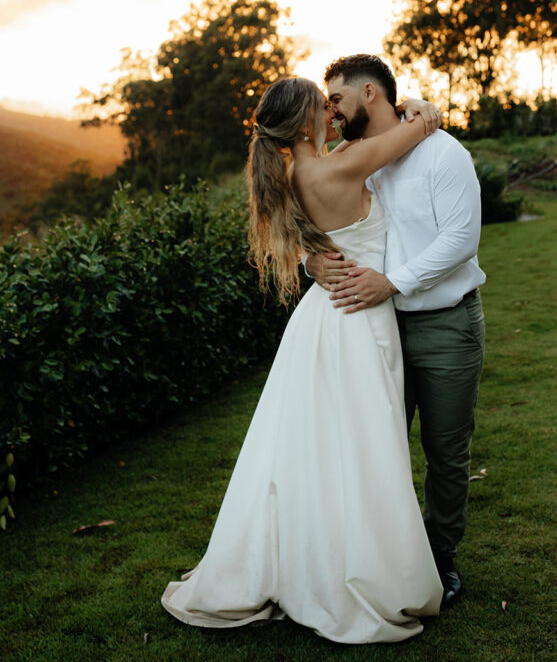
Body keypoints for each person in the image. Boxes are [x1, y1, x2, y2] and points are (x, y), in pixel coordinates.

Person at [161, 76, 444, 644]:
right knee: (364, 445)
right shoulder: (339, 165)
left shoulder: (296, 171)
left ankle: (314, 556)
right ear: (305, 121)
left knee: (314, 447)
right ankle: (354, 572)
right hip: (357, 318)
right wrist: (419, 106)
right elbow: (425, 126)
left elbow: (315, 236)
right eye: (324, 104)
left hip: (322, 317)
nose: (332, 111)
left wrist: (315, 262)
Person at [306, 54, 486, 607]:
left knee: (444, 451)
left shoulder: (442, 152)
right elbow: (318, 227)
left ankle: (439, 561)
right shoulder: (353, 160)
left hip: (444, 327)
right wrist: (309, 263)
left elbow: (460, 238)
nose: (330, 111)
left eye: (335, 98)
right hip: (373, 331)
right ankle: (381, 561)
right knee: (376, 449)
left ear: (369, 94)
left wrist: (393, 282)